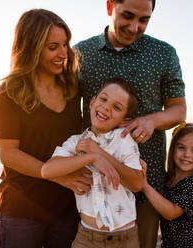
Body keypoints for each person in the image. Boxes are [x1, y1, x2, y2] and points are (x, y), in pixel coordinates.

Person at [74, 0, 186, 247]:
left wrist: (152, 120)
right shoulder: (81, 52)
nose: (135, 27)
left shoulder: (163, 53)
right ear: (109, 6)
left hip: (146, 184)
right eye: (128, 16)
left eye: (144, 20)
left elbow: (179, 110)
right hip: (90, 184)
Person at [0, 9, 91, 248]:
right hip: (20, 211)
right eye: (53, 47)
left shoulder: (72, 88)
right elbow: (8, 155)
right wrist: (59, 175)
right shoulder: (9, 92)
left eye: (65, 45)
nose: (63, 54)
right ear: (32, 47)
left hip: (66, 209)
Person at [41, 77, 144, 247]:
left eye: (116, 107)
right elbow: (47, 170)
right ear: (92, 102)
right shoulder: (76, 142)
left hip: (125, 239)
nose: (106, 107)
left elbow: (136, 184)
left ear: (124, 121)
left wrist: (99, 152)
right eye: (103, 99)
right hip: (86, 237)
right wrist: (92, 157)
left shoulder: (124, 140)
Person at [141, 122, 193, 248]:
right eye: (181, 147)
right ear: (173, 148)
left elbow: (171, 212)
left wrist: (144, 186)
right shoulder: (168, 180)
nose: (187, 154)